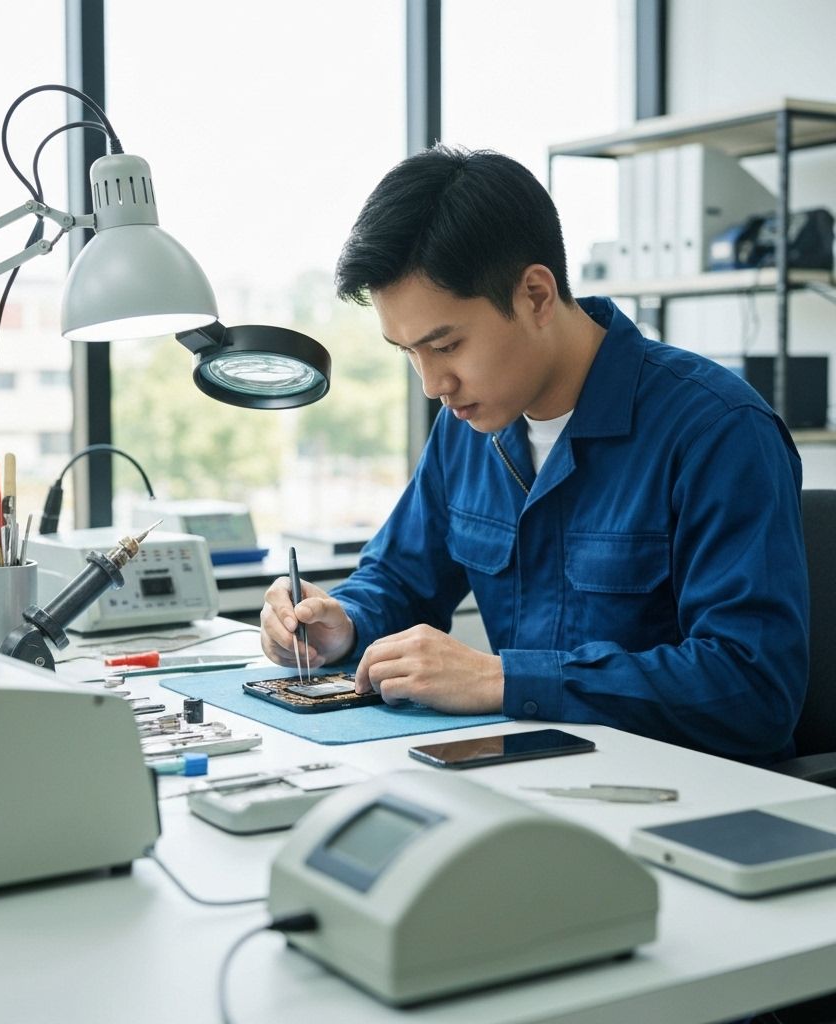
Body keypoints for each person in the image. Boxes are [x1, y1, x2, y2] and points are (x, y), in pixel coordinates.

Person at [259, 145, 809, 765]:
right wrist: (345, 621)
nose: (432, 384)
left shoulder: (717, 430)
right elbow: (400, 579)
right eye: (408, 353)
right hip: (529, 783)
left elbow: (753, 688)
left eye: (447, 345)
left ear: (537, 296)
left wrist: (504, 680)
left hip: (689, 802)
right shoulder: (464, 428)